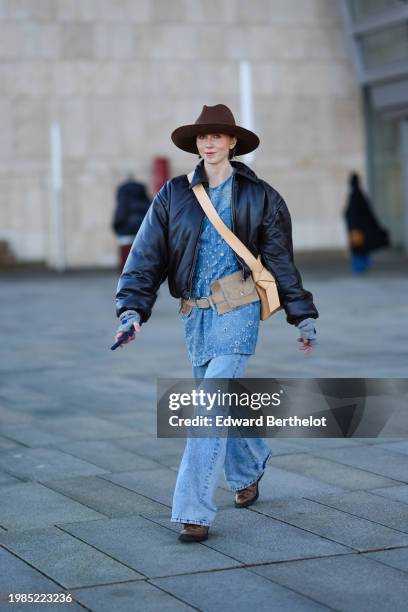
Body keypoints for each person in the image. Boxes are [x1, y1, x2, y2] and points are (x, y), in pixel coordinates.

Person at [114, 104, 319, 543]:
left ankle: (194, 510)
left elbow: (281, 259)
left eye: (217, 136)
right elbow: (146, 255)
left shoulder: (261, 194)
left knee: (206, 409)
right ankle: (248, 466)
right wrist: (131, 310)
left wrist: (302, 314)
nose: (208, 143)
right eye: (202, 137)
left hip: (240, 309)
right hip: (196, 313)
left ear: (232, 143)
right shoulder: (173, 194)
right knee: (220, 399)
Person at [343, 172, 389, 274]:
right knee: (362, 249)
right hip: (362, 229)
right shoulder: (359, 195)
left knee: (359, 249)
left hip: (357, 230)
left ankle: (360, 268)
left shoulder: (354, 195)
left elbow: (352, 214)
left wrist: (353, 228)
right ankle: (362, 267)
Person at [112, 174, 151, 271]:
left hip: (126, 231)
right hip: (143, 230)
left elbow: (119, 216)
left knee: (126, 258)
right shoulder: (144, 197)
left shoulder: (123, 197)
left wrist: (117, 228)